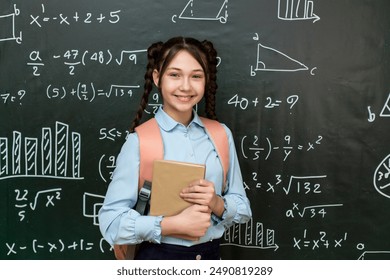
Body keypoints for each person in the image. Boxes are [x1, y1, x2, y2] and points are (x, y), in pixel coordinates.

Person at [98, 36, 252, 260]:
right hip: (158, 258)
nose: (186, 86)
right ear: (157, 78)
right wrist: (170, 225)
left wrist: (217, 203)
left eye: (196, 76)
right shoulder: (140, 141)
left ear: (206, 80)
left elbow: (243, 209)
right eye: (174, 75)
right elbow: (111, 222)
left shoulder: (221, 135)